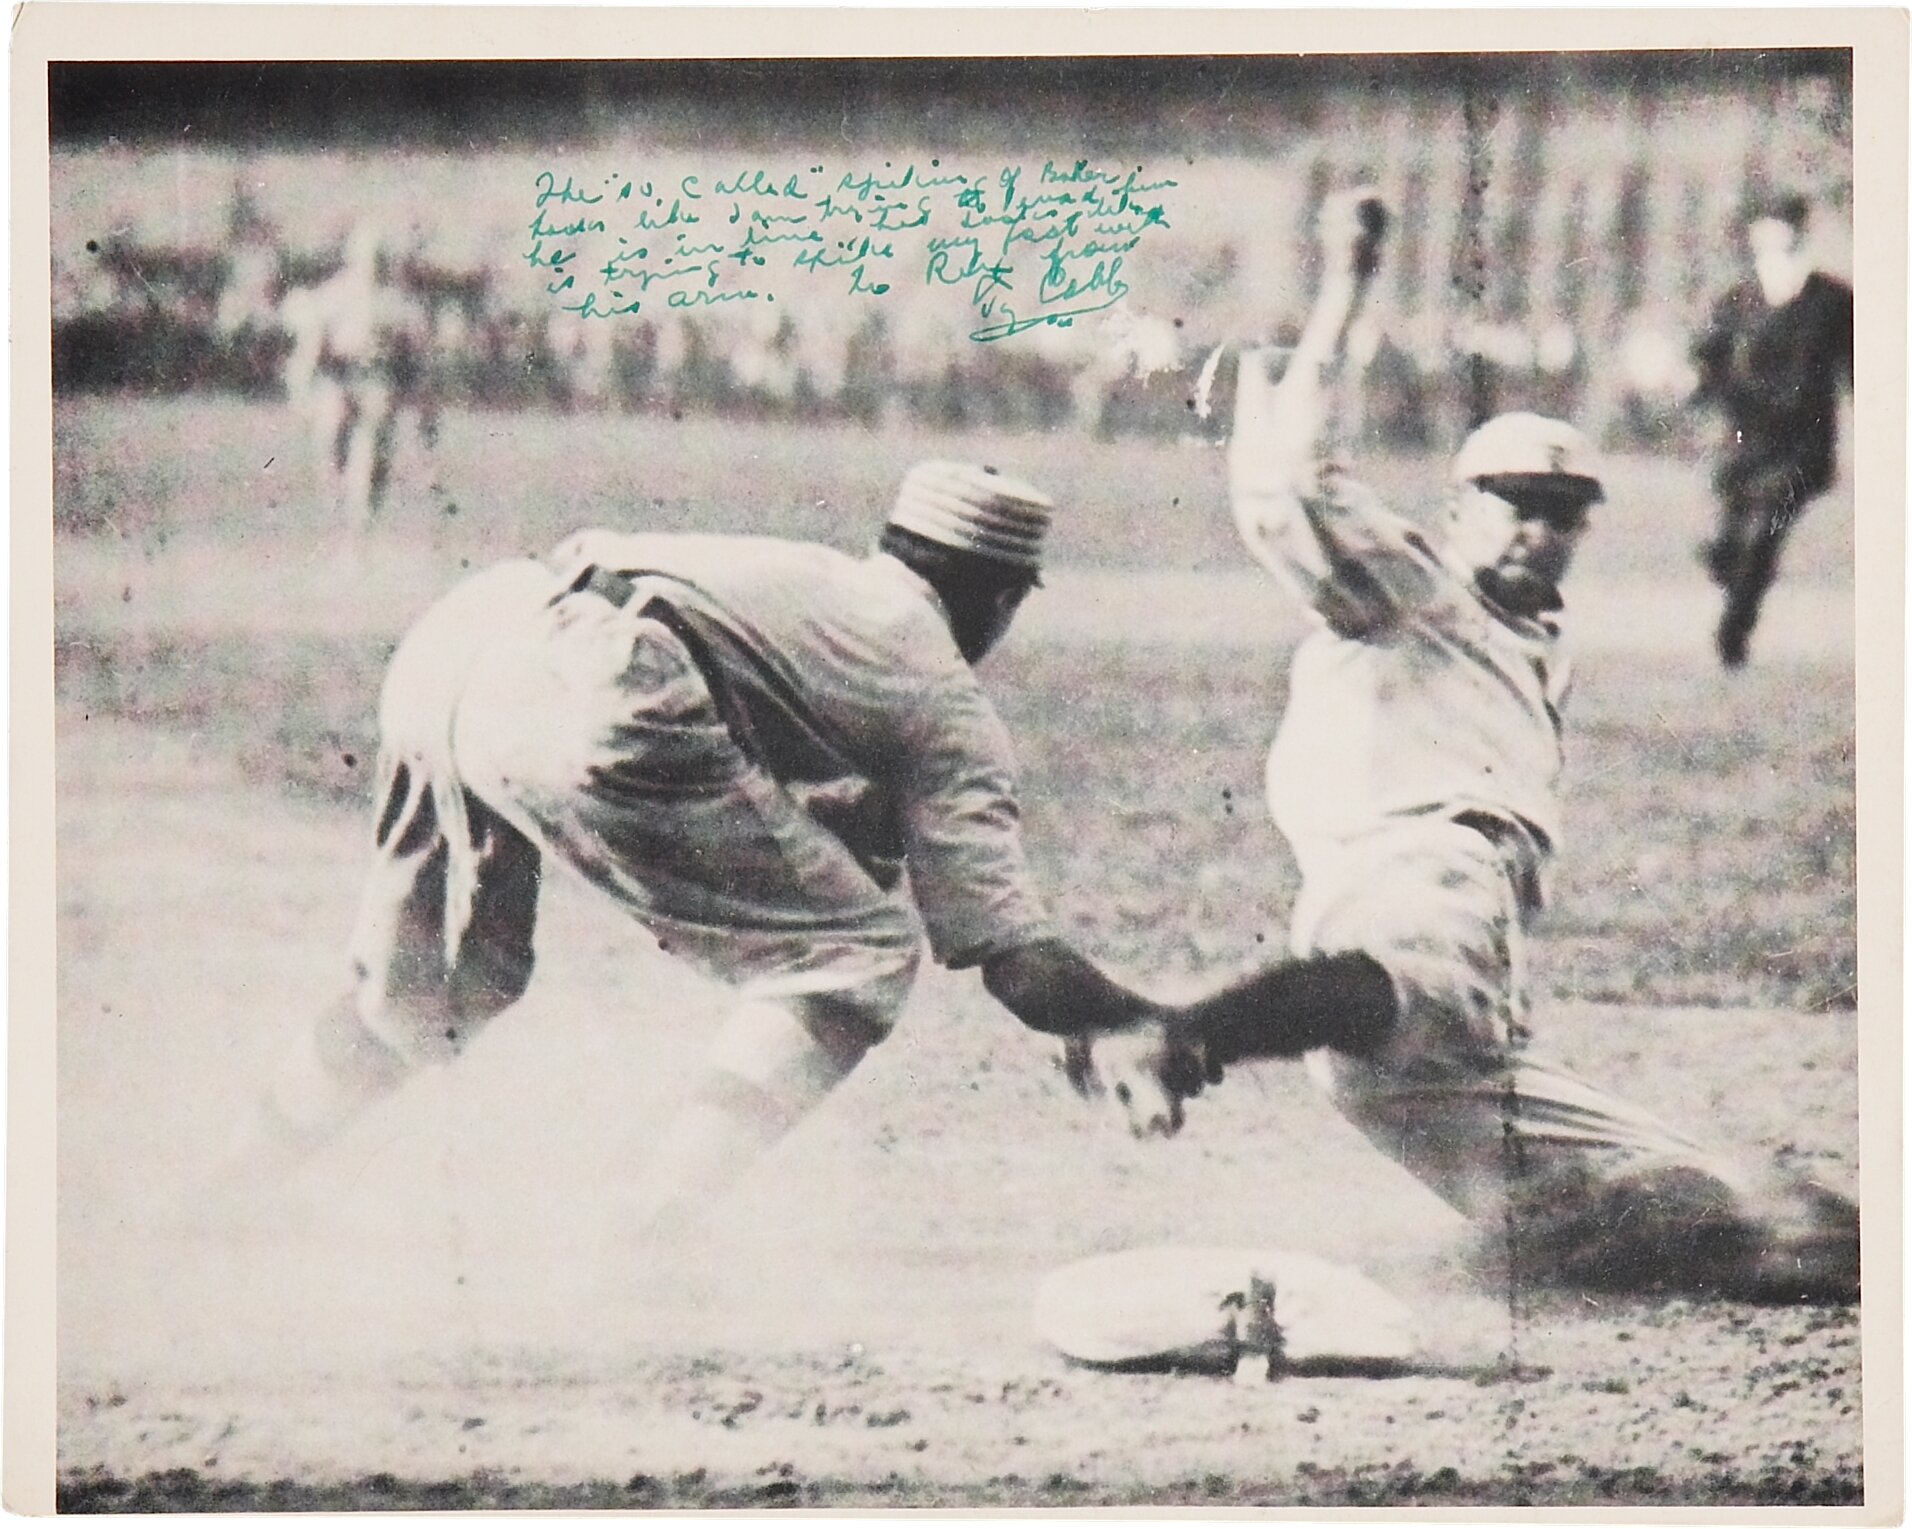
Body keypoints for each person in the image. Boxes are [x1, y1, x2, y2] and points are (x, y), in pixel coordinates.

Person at [1077, 190, 1857, 1305]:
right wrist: (1347, 285)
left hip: (1451, 1041)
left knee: (1728, 1213)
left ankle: (1507, 1256)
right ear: (1458, 510)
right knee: (1419, 978)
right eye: (1512, 500)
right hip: (1414, 887)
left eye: (1562, 506)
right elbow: (1293, 487)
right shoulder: (1412, 593)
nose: (1538, 523)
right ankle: (1178, 1034)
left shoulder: (1535, 639)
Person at [223, 460, 1176, 1233]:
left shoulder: (817, 586)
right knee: (862, 954)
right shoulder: (935, 685)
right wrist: (1137, 1017)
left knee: (435, 991)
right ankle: (650, 1223)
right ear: (1001, 596)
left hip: (462, 634)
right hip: (606, 684)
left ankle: (231, 1183)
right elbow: (1014, 963)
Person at [1691, 191, 1854, 668]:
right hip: (1745, 437)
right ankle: (1729, 570)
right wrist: (1704, 394)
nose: (1772, 234)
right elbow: (1709, 355)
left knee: (1765, 534)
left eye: (1782, 224)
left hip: (1803, 439)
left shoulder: (1831, 299)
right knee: (1732, 541)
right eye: (1764, 225)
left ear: (1799, 230)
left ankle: (1734, 629)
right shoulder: (1738, 297)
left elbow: (1854, 362)